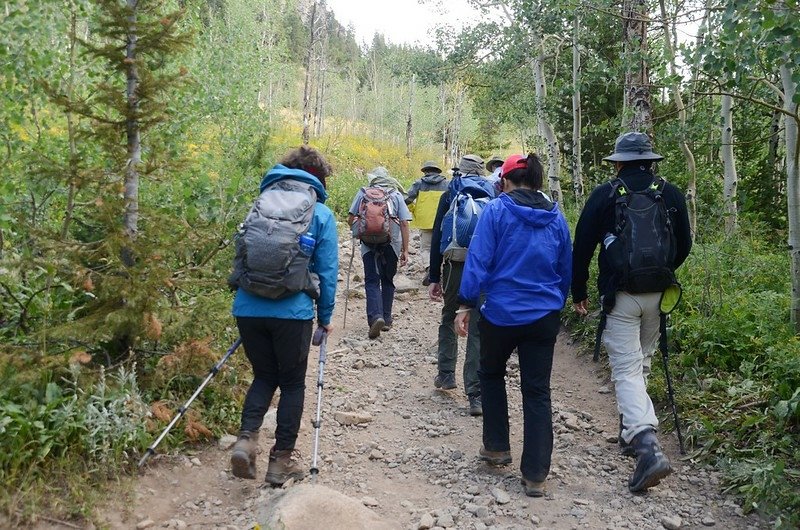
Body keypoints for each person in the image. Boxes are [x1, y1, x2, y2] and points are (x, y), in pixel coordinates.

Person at [572, 132, 692, 493]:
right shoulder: (669, 193)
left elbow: (581, 247)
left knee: (625, 368)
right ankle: (630, 432)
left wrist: (579, 292)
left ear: (619, 162)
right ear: (651, 161)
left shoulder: (606, 194)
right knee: (641, 362)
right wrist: (660, 272)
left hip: (621, 295)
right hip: (659, 293)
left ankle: (646, 444)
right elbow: (683, 244)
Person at [454, 153, 572, 498]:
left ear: (504, 181)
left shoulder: (496, 210)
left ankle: (496, 447)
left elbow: (478, 258)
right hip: (543, 315)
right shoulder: (556, 217)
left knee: (490, 374)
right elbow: (565, 266)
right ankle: (535, 474)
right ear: (536, 182)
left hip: (501, 313)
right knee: (537, 391)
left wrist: (466, 302)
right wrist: (556, 303)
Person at [229, 146, 338, 486]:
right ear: (317, 178)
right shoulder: (319, 213)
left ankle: (246, 440)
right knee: (291, 383)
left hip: (248, 307)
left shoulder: (261, 203)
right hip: (292, 312)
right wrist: (325, 317)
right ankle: (280, 463)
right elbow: (328, 271)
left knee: (263, 375)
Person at [428, 154, 495, 416]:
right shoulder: (494, 195)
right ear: (481, 172)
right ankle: (475, 393)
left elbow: (437, 235)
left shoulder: (452, 192)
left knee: (449, 315)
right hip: (484, 267)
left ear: (461, 171)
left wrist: (434, 276)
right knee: (477, 324)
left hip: (456, 263)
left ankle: (446, 374)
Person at [348, 167, 412, 339]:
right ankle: (387, 318)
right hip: (392, 244)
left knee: (371, 281)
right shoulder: (396, 195)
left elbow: (350, 218)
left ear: (373, 181)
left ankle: (375, 317)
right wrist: (406, 250)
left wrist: (359, 231)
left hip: (368, 244)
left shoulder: (362, 193)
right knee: (388, 280)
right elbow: (405, 223)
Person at [405, 161, 449, 285]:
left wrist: (413, 209)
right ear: (438, 171)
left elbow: (407, 199)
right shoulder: (447, 184)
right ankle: (443, 271)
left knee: (425, 248)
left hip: (425, 220)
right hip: (443, 220)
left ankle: (429, 267)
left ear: (425, 171)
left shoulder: (419, 183)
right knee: (442, 246)